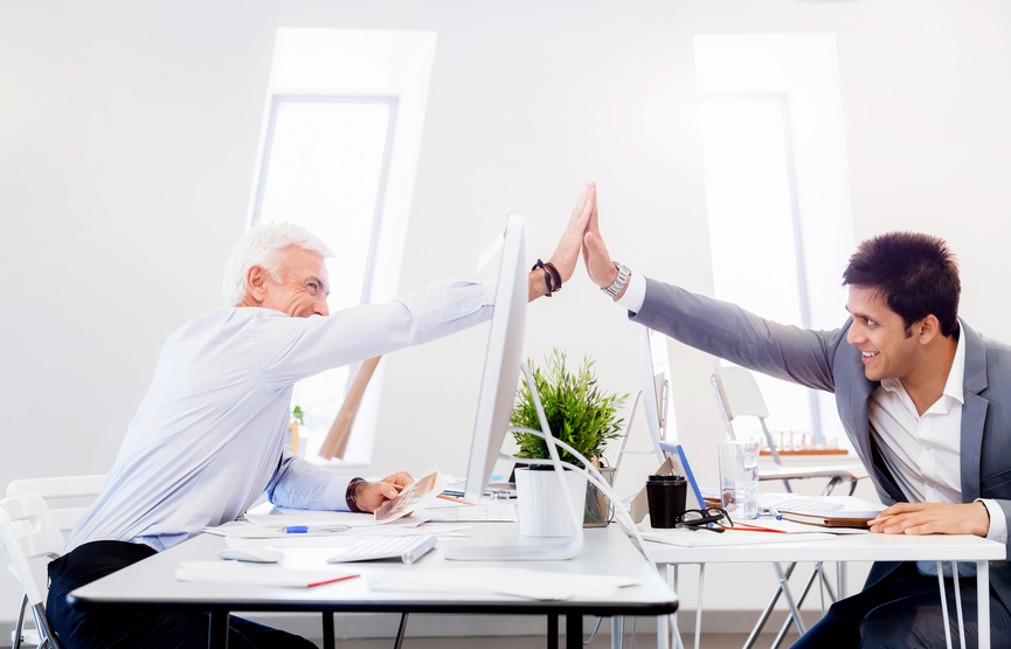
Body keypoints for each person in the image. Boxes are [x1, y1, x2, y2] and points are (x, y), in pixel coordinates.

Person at [46, 183, 598, 649]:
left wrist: (357, 492)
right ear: (258, 282)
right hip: (110, 586)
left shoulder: (247, 362)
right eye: (312, 286)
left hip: (152, 581)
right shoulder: (249, 338)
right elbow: (398, 320)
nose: (324, 307)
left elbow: (278, 474)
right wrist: (539, 278)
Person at [580, 207, 1011, 647]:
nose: (852, 336)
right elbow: (748, 336)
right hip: (917, 582)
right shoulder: (852, 364)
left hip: (1001, 594)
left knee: (890, 638)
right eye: (853, 316)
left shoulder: (1006, 380)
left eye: (870, 322)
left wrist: (983, 516)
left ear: (924, 329)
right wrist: (618, 283)